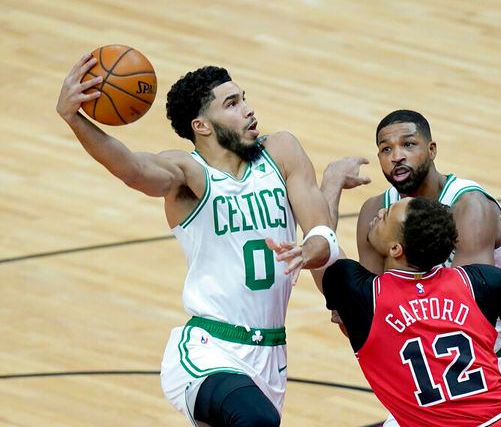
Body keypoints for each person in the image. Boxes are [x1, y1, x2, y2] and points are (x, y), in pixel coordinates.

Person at [56, 54, 340, 426]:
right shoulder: (189, 174)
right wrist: (74, 119)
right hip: (208, 349)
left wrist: (311, 246)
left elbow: (322, 234)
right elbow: (134, 169)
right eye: (233, 104)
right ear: (201, 126)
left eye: (243, 98)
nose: (249, 110)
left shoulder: (281, 152)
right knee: (255, 421)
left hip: (270, 355)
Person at [270, 196, 501, 426]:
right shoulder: (480, 282)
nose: (379, 212)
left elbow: (323, 245)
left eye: (387, 215)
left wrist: (332, 185)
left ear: (396, 249)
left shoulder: (360, 294)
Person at [336, 109, 501, 426]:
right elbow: (375, 303)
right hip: (441, 366)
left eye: (408, 145)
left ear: (432, 150)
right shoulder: (376, 212)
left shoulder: (469, 207)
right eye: (386, 149)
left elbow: (468, 315)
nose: (396, 157)